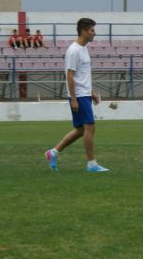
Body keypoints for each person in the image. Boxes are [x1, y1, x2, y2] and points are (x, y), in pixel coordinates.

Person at [44, 18, 109, 172]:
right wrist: (73, 99)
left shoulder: (84, 49)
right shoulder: (73, 51)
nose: (94, 33)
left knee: (81, 129)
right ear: (84, 31)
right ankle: (91, 164)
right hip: (78, 96)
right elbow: (70, 76)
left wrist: (91, 92)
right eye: (92, 30)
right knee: (90, 127)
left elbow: (83, 74)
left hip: (84, 94)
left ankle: (53, 152)